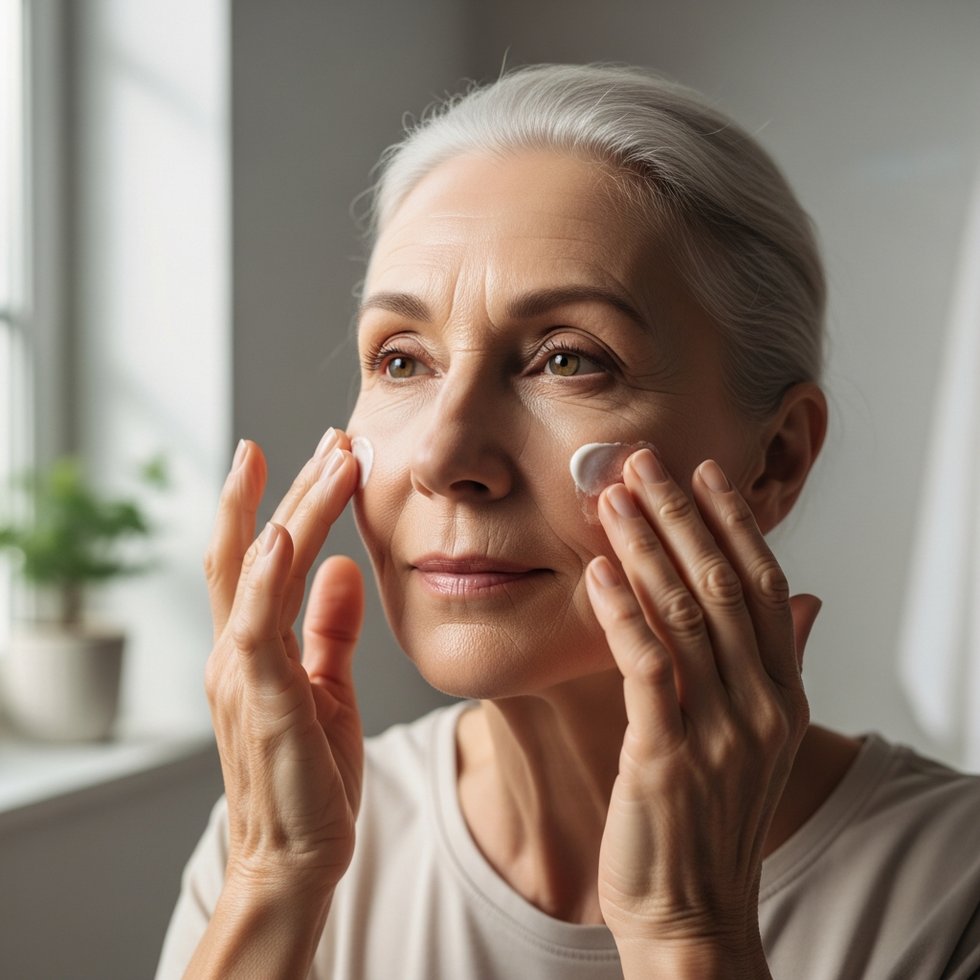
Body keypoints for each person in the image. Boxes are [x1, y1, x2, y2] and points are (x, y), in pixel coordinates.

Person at [155, 65, 980, 980]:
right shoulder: (289, 828)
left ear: (776, 459)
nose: (445, 456)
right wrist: (273, 881)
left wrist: (689, 930)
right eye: (400, 361)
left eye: (567, 360)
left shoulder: (951, 896)